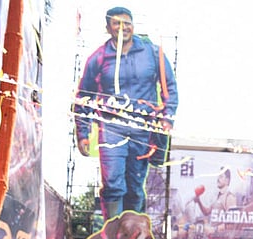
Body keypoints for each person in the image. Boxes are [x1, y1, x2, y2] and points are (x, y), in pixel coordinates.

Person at [73, 6, 178, 220]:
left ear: (133, 25)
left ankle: (132, 229)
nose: (123, 28)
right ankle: (112, 231)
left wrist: (167, 119)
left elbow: (170, 87)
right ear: (108, 28)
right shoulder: (99, 58)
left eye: (127, 23)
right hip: (111, 128)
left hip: (143, 128)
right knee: (112, 182)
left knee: (135, 185)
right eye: (116, 23)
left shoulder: (152, 53)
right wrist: (82, 134)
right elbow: (83, 96)